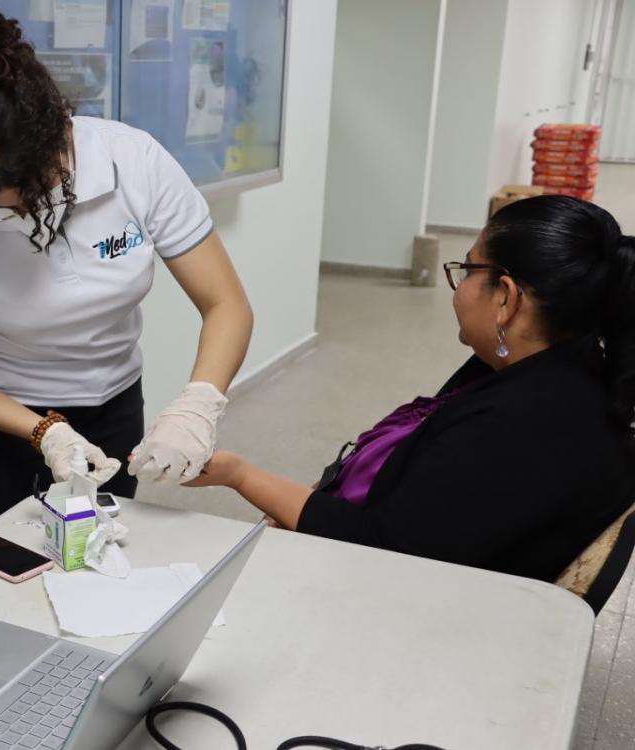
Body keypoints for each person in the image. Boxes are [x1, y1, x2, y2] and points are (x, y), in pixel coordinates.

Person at [0, 0, 254, 530]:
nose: (26, 212)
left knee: (102, 558)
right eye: (1, 206)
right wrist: (43, 430)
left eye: (34, 190)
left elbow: (226, 304)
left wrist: (199, 402)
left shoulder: (133, 162)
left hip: (113, 404)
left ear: (58, 129)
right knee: (5, 576)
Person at [188, 195, 635, 582]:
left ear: (506, 297)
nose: (457, 290)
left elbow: (382, 546)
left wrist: (239, 476)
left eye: (466, 270)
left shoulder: (520, 427)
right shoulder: (559, 366)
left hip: (426, 602)